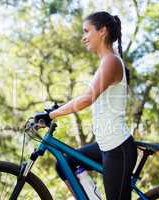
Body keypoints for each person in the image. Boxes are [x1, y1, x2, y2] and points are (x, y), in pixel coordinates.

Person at [34, 11, 137, 200]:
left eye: (86, 31)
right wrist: (55, 110)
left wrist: (51, 115)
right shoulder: (106, 62)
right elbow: (85, 97)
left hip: (118, 150)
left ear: (102, 31)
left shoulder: (111, 62)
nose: (83, 37)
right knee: (65, 165)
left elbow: (86, 99)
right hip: (106, 146)